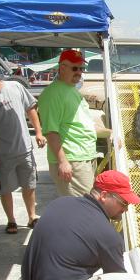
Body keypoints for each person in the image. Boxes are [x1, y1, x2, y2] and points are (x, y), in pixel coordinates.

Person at [0, 64, 46, 234]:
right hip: (1, 154)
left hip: (25, 149)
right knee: (4, 188)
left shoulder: (16, 87)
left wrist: (38, 132)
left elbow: (31, 108)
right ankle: (11, 220)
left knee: (29, 184)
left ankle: (32, 216)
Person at [38, 49, 97, 197]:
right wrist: (63, 162)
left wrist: (111, 133)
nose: (79, 72)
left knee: (86, 208)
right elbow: (51, 131)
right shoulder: (53, 94)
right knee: (83, 209)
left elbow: (81, 124)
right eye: (75, 68)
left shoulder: (70, 90)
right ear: (62, 67)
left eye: (81, 68)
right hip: (72, 160)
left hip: (82, 157)